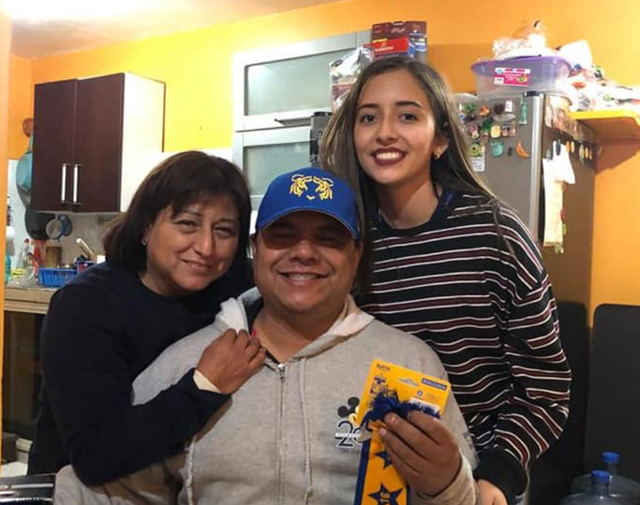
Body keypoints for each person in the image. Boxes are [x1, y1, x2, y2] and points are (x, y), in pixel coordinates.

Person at [54, 167, 479, 505]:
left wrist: (448, 484)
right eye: (284, 236)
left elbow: (460, 497)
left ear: (356, 256)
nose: (304, 253)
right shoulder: (187, 363)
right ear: (257, 250)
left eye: (328, 238)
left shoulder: (410, 363)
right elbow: (108, 485)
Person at [320, 56, 571, 505]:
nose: (385, 132)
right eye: (369, 117)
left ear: (439, 139)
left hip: (477, 473)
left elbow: (546, 387)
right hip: (367, 468)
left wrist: (497, 475)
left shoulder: (496, 234)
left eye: (408, 115)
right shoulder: (347, 236)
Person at [28, 151, 265, 485]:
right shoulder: (87, 306)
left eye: (224, 230)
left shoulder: (238, 288)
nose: (206, 247)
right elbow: (96, 455)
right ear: (146, 225)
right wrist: (204, 385)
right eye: (187, 224)